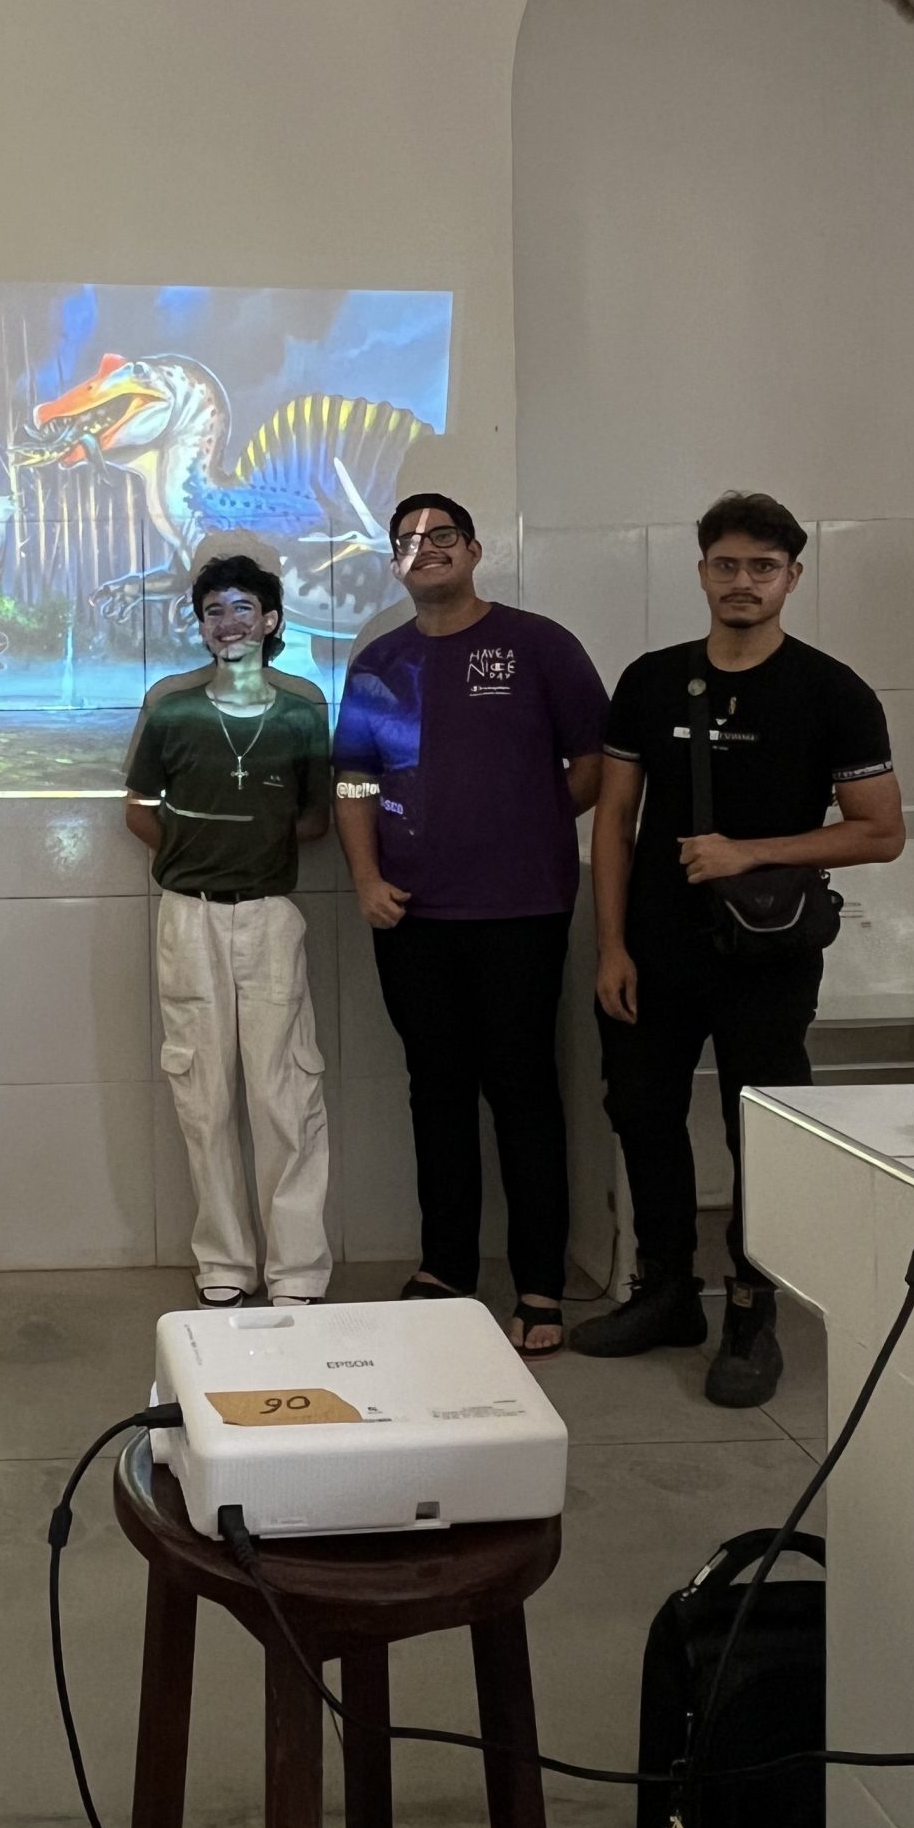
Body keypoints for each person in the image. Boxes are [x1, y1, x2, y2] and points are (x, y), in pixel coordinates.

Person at [574, 492, 904, 1406]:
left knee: (758, 1126)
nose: (743, 582)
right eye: (727, 564)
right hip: (654, 946)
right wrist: (610, 946)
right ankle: (667, 1290)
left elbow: (880, 831)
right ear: (702, 572)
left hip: (767, 952)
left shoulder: (832, 691)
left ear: (792, 577)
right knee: (641, 1109)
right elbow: (614, 821)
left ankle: (753, 1314)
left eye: (763, 567)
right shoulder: (651, 680)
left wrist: (750, 850)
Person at [332, 495, 607, 1355]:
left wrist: (527, 823)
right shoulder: (379, 664)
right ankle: (446, 1266)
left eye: (442, 535)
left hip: (522, 913)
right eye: (408, 541)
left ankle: (539, 1285)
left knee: (524, 1092)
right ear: (395, 563)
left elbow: (595, 763)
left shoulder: (539, 645)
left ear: (475, 550)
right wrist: (366, 878)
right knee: (436, 1091)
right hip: (411, 916)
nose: (426, 550)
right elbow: (354, 782)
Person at [124, 552, 335, 1307]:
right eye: (213, 610)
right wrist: (196, 852)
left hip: (271, 914)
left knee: (286, 1093)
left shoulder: (302, 707)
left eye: (243, 607)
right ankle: (224, 1263)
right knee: (202, 1094)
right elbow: (137, 810)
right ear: (201, 624)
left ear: (271, 620)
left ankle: (297, 1271)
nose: (228, 622)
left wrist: (254, 844)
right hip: (189, 916)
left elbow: (317, 816)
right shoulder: (171, 706)